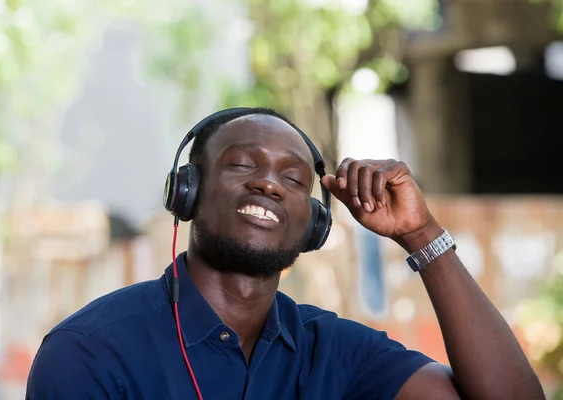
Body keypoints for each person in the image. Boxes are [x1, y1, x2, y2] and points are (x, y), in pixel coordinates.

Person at [26, 108, 544, 399]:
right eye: (241, 165)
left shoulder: (338, 353)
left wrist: (421, 233)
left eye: (293, 179)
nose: (269, 185)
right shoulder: (89, 353)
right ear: (186, 192)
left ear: (314, 223)